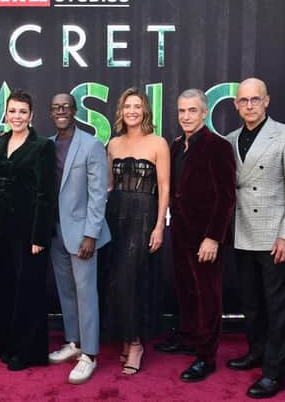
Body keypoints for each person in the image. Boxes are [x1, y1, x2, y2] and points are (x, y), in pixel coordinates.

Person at [225, 78, 285, 398]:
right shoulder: (231, 139)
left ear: (267, 101)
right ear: (235, 104)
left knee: (276, 307)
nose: (249, 105)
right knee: (251, 304)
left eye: (255, 100)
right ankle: (256, 352)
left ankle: (275, 373)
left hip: (274, 235)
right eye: (243, 101)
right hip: (242, 233)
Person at [155, 89, 236, 382]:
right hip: (180, 232)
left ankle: (207, 356)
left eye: (192, 111)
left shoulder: (218, 147)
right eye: (181, 111)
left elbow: (226, 197)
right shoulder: (177, 146)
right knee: (186, 289)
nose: (186, 116)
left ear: (204, 113)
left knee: (208, 296)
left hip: (205, 237)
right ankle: (188, 338)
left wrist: (214, 237)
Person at [99, 87, 170, 375]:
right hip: (115, 215)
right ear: (121, 111)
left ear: (145, 111)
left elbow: (165, 187)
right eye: (127, 106)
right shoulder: (113, 144)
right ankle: (126, 337)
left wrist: (159, 226)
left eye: (137, 106)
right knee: (115, 280)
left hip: (144, 216)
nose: (132, 111)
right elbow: (107, 186)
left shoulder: (158, 143)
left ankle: (137, 343)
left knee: (131, 279)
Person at [0, 89, 57, 371]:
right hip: (1, 228)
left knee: (28, 291)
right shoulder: (0, 141)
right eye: (12, 111)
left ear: (31, 115)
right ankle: (7, 344)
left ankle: (28, 352)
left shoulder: (41, 146)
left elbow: (45, 193)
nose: (17, 116)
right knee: (5, 287)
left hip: (29, 232)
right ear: (6, 113)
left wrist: (39, 236)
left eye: (22, 112)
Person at [46, 93, 111, 384]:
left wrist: (90, 235)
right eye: (56, 107)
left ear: (74, 111)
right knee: (66, 291)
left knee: (86, 293)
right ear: (51, 113)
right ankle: (74, 342)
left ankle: (90, 354)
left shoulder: (91, 144)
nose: (61, 111)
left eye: (66, 107)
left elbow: (98, 195)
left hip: (83, 234)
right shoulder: (47, 145)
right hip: (55, 231)